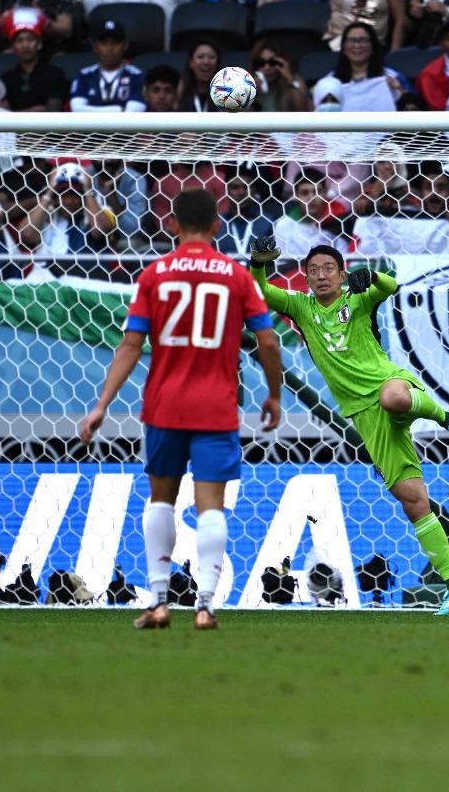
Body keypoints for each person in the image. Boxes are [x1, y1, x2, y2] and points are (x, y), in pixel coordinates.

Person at [248, 235, 449, 615]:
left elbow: (391, 286)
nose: (321, 276)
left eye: (329, 269)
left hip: (389, 384)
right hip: (363, 414)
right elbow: (257, 290)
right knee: (413, 501)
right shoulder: (301, 307)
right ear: (305, 279)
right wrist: (259, 262)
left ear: (342, 274)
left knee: (394, 398)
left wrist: (370, 276)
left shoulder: (358, 298)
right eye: (313, 271)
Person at [79, 188, 283, 629]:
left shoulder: (156, 275)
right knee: (210, 507)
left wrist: (101, 405)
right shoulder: (236, 276)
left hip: (164, 405)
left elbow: (130, 345)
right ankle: (206, 605)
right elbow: (267, 341)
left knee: (161, 501)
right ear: (217, 225)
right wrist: (274, 393)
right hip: (215, 406)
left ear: (172, 225)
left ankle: (158, 602)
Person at [68, 16, 144, 112]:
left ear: (125, 45)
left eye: (115, 43)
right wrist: (119, 109)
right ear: (95, 47)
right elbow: (77, 109)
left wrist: (90, 110)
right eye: (104, 43)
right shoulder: (84, 76)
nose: (109, 49)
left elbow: (133, 112)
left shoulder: (136, 76)